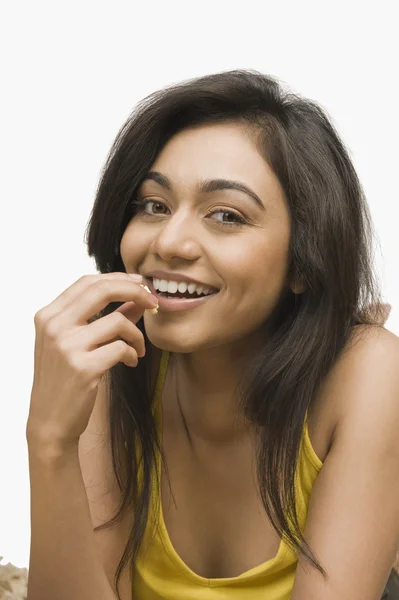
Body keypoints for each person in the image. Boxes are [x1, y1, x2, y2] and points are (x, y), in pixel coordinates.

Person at [26, 70, 399, 600]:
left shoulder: (368, 372)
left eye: (226, 215)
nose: (170, 242)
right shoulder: (116, 361)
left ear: (303, 260)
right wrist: (49, 441)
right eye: (153, 205)